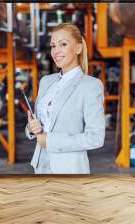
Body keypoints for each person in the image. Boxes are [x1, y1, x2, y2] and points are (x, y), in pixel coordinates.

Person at [25, 23, 105, 174]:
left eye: (63, 44)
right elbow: (42, 124)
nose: (56, 51)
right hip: (40, 164)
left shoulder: (90, 86)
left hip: (70, 169)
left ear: (78, 48)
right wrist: (31, 128)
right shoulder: (46, 82)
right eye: (53, 46)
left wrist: (51, 141)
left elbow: (96, 138)